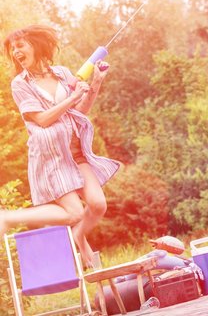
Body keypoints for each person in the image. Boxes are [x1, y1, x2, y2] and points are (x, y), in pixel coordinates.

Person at [1, 25, 120, 267]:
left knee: (98, 205)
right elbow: (42, 119)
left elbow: (78, 113)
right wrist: (73, 97)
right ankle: (8, 217)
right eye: (13, 49)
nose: (16, 52)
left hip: (76, 151)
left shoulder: (63, 74)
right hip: (52, 157)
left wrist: (95, 85)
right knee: (75, 213)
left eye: (20, 46)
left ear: (36, 45)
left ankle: (79, 235)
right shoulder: (20, 84)